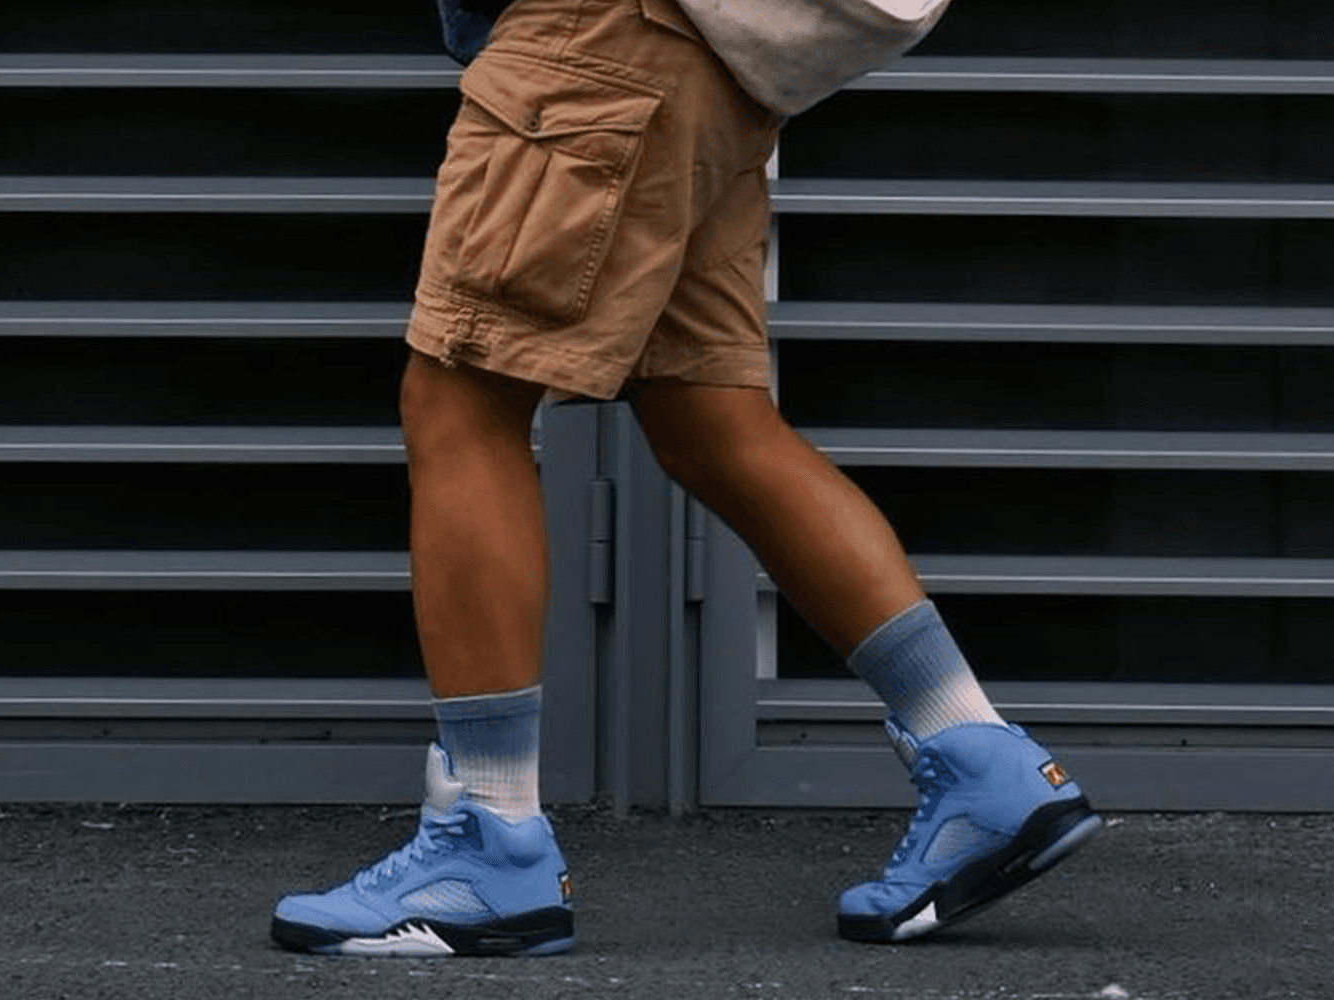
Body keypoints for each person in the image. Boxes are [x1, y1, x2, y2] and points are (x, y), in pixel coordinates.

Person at [270, 0, 1103, 956]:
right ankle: (977, 757)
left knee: (462, 400)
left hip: (598, 39)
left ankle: (487, 841)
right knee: (708, 416)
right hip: (699, 68)